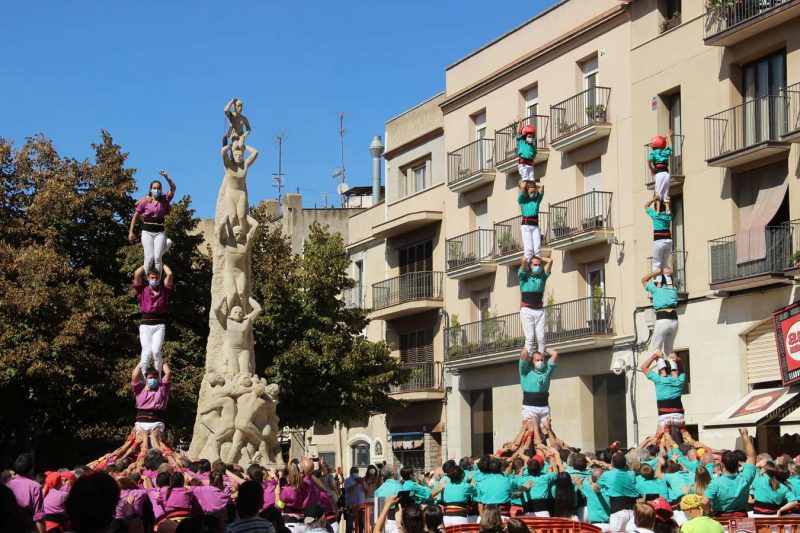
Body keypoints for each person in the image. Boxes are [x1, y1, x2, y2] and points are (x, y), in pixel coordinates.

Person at [129, 169, 176, 276]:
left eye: (158, 188)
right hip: (147, 231)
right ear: (150, 189)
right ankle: (147, 279)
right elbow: (135, 216)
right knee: (149, 257)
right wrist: (131, 232)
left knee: (158, 258)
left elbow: (173, 189)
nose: (156, 190)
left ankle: (157, 281)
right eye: (154, 188)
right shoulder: (145, 201)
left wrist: (166, 177)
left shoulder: (164, 199)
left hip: (159, 231)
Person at [702, 428, 757, 517]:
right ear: (738, 464)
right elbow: (752, 456)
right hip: (742, 518)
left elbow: (704, 501)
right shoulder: (745, 477)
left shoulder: (716, 483)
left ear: (722, 465)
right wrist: (745, 436)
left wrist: (708, 513)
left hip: (722, 519)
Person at [133, 264, 174, 377]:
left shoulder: (164, 291)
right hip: (145, 325)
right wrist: (147, 263)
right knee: (146, 353)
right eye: (152, 278)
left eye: (156, 278)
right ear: (148, 278)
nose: (154, 280)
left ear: (159, 278)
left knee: (156, 352)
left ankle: (158, 377)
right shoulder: (142, 290)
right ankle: (144, 379)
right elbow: (137, 274)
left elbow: (169, 274)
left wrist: (160, 261)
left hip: (159, 325)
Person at [641, 352, 686, 440]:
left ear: (661, 370)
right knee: (682, 437)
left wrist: (654, 356)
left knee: (660, 439)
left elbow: (643, 367)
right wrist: (678, 361)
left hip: (665, 416)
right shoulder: (679, 380)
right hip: (679, 415)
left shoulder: (659, 380)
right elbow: (682, 371)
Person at [518, 255, 553, 358]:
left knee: (541, 338)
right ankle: (529, 360)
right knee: (529, 338)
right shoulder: (524, 277)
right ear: (530, 265)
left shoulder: (542, 277)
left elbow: (550, 261)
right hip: (527, 310)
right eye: (535, 265)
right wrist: (530, 254)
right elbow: (523, 260)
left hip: (539, 310)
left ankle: (540, 358)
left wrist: (539, 256)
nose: (538, 266)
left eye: (539, 265)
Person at [595, 452, 640, 532]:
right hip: (633, 512)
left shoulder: (607, 475)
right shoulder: (632, 474)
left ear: (612, 463)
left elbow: (596, 488)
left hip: (617, 512)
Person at [642, 269, 679, 358]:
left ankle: (662, 370)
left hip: (663, 320)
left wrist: (655, 273)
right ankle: (675, 368)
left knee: (656, 350)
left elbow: (643, 280)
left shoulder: (656, 290)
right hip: (674, 322)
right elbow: (670, 283)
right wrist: (670, 274)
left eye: (657, 282)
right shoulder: (673, 290)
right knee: (669, 351)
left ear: (660, 283)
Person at [519, 347, 559, 427]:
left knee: (545, 433)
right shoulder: (526, 372)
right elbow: (523, 355)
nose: (540, 362)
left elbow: (555, 354)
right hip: (530, 407)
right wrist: (528, 345)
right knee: (530, 432)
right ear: (532, 361)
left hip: (544, 407)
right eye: (537, 360)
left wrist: (543, 347)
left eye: (541, 360)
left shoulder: (546, 371)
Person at [131, 362, 173, 438]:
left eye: (155, 377)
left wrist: (161, 361)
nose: (152, 379)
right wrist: (142, 362)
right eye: (150, 378)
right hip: (141, 424)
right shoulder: (140, 389)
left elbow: (168, 373)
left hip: (157, 424)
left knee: (156, 447)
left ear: (158, 378)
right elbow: (134, 376)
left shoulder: (162, 388)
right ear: (146, 379)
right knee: (140, 446)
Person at [6, 453, 44, 533]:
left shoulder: (7, 484)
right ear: (31, 469)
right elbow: (38, 516)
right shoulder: (35, 486)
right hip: (27, 527)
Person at [518, 180, 545, 261]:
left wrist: (533, 183)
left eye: (534, 192)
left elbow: (542, 185)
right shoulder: (522, 199)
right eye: (530, 192)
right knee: (529, 249)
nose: (532, 194)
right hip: (526, 225)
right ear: (527, 191)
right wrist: (528, 182)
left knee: (537, 249)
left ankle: (537, 266)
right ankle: (528, 266)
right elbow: (522, 186)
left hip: (535, 225)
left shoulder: (537, 199)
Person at [645, 195, 673, 271]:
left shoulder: (655, 215)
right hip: (669, 241)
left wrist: (654, 199)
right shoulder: (669, 215)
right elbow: (668, 211)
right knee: (665, 264)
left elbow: (646, 206)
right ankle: (669, 282)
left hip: (659, 241)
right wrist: (667, 202)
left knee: (656, 264)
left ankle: (658, 282)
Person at [648, 131, 674, 207]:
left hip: (659, 173)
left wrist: (651, 168)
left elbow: (649, 160)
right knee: (666, 192)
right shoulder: (665, 152)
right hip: (666, 173)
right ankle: (667, 208)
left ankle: (658, 209)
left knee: (658, 193)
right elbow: (670, 148)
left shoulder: (654, 153)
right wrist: (668, 137)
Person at [374, 466, 403, 533]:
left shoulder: (378, 490)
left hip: (381, 522)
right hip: (395, 522)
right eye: (396, 471)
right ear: (393, 474)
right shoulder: (399, 486)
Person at [343, 467, 365, 533]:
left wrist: (363, 483)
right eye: (355, 471)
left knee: (361, 525)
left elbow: (367, 490)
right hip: (351, 507)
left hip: (360, 507)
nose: (356, 472)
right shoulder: (348, 480)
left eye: (357, 471)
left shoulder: (360, 480)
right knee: (349, 526)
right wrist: (357, 483)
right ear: (351, 472)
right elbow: (350, 490)